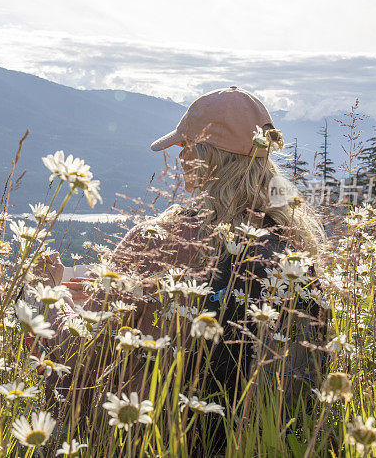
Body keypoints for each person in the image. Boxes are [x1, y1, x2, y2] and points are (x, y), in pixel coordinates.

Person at [42, 87, 328, 452]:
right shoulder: (294, 250)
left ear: (202, 158)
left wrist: (52, 296)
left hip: (153, 439)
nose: (179, 160)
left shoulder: (158, 238)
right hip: (262, 441)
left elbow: (79, 354)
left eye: (183, 148)